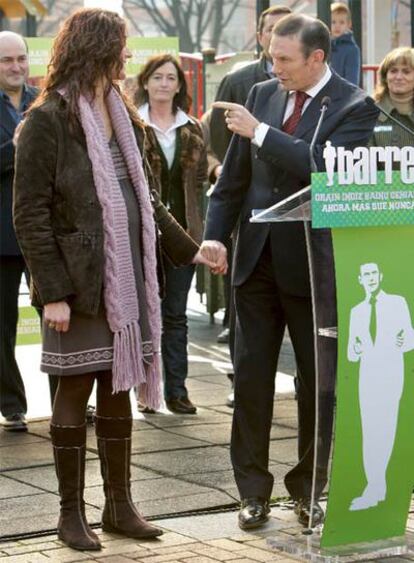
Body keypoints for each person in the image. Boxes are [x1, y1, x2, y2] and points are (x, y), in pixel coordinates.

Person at [13, 8, 224, 552]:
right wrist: (52, 291)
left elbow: (148, 200)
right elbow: (30, 213)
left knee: (116, 388)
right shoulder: (46, 120)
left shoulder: (123, 115)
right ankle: (69, 515)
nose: (128, 57)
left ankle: (119, 505)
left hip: (127, 277)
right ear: (97, 50)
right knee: (75, 386)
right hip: (79, 285)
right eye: (121, 47)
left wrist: (190, 249)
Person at [201, 13, 379, 530]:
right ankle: (252, 492)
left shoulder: (354, 105)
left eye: (284, 59)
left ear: (317, 58)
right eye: (272, 56)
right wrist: (215, 233)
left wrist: (260, 133)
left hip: (314, 268)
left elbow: (324, 166)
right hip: (255, 262)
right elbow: (233, 178)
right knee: (251, 380)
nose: (273, 67)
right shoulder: (261, 93)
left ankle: (309, 488)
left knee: (316, 385)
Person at [135, 54, 206, 415]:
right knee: (145, 316)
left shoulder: (192, 127)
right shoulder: (132, 124)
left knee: (176, 315)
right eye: (157, 77)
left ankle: (177, 390)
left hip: (184, 237)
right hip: (142, 234)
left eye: (170, 78)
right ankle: (147, 392)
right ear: (145, 82)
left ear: (179, 85)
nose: (164, 83)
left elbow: (199, 186)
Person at [348, 263, 414, 511]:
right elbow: (351, 354)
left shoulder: (397, 303)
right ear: (360, 279)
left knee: (387, 429)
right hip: (367, 376)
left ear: (381, 276)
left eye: (374, 273)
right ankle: (375, 484)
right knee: (369, 431)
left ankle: (377, 485)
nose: (371, 278)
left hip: (391, 373)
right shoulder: (356, 311)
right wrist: (355, 348)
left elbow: (409, 338)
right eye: (366, 274)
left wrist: (403, 339)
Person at [0, 31, 38, 432]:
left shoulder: (41, 103)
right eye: (6, 60)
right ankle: (12, 405)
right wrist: (16, 147)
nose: (15, 67)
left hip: (42, 232)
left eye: (21, 59)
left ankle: (70, 400)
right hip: (1, 236)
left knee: (60, 319)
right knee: (2, 327)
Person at [370, 47, 414, 148]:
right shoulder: (370, 112)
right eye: (393, 71)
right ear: (385, 76)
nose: (398, 77)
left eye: (406, 72)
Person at [330, 2, 361, 86]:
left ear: (348, 24)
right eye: (333, 22)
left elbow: (352, 80)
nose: (337, 26)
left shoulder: (352, 49)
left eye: (342, 22)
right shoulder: (324, 45)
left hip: (341, 95)